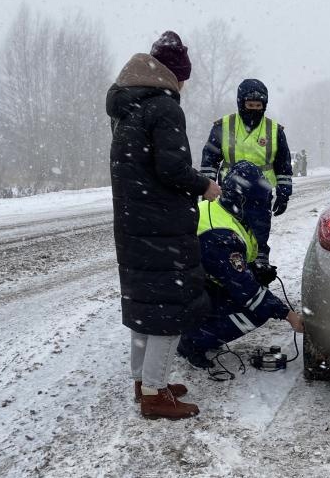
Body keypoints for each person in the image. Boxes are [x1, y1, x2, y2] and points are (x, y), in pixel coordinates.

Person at [107, 30, 221, 420]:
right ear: (172, 75)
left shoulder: (127, 109)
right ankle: (155, 393)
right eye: (183, 79)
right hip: (162, 225)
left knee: (146, 308)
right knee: (169, 309)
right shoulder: (164, 108)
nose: (184, 87)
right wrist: (205, 185)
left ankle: (144, 382)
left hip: (133, 222)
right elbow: (171, 169)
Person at [177, 161, 304, 369]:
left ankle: (197, 329)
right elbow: (246, 290)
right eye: (260, 201)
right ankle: (193, 340)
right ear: (245, 200)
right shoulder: (221, 235)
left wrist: (255, 270)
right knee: (257, 309)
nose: (264, 207)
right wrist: (288, 315)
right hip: (183, 297)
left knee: (254, 296)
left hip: (187, 288)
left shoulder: (221, 210)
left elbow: (233, 268)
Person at [199, 79, 292, 266]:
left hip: (261, 193)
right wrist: (206, 186)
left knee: (259, 234)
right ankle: (232, 268)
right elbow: (209, 160)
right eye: (250, 105)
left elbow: (283, 165)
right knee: (229, 232)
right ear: (241, 103)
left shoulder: (274, 130)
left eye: (259, 106)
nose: (254, 110)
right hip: (229, 193)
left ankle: (259, 269)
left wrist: (284, 192)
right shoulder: (223, 126)